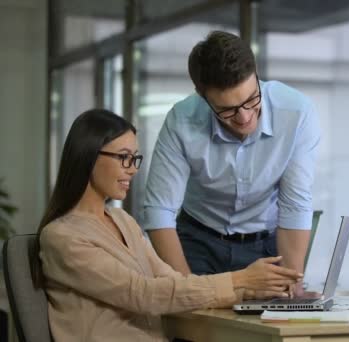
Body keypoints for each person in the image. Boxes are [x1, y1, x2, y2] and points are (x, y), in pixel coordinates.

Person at [31, 109, 302, 342]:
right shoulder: (62, 237)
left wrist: (252, 290)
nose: (133, 169)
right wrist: (238, 279)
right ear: (89, 156)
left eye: (135, 159)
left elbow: (172, 282)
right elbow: (142, 294)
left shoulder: (122, 220)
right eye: (124, 157)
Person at [142, 31, 320, 296]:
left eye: (251, 99)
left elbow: (295, 204)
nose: (245, 116)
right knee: (195, 329)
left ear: (256, 75)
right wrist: (188, 290)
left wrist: (293, 287)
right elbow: (159, 211)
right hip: (197, 242)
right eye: (227, 110)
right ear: (203, 98)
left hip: (265, 245)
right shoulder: (182, 120)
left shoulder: (296, 112)